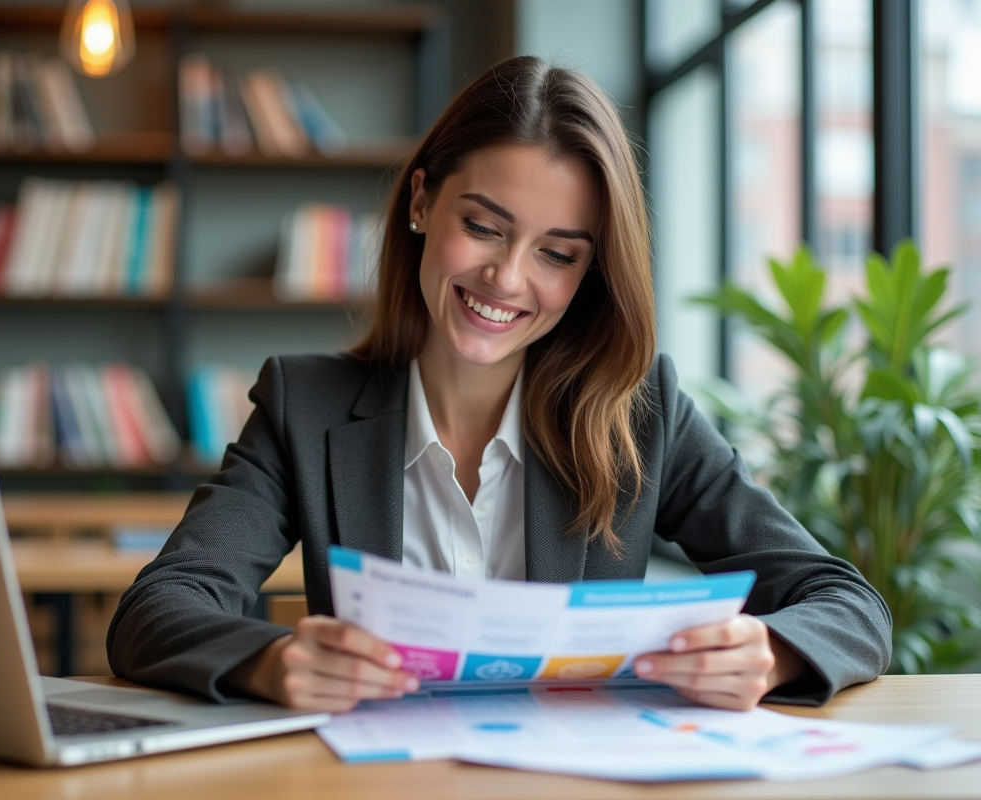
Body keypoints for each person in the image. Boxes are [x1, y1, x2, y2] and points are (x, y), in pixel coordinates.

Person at [107, 56, 890, 713]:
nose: (506, 278)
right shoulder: (300, 406)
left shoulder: (641, 413)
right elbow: (156, 610)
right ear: (421, 201)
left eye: (558, 253)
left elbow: (846, 603)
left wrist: (771, 650)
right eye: (483, 226)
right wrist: (271, 662)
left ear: (591, 272)